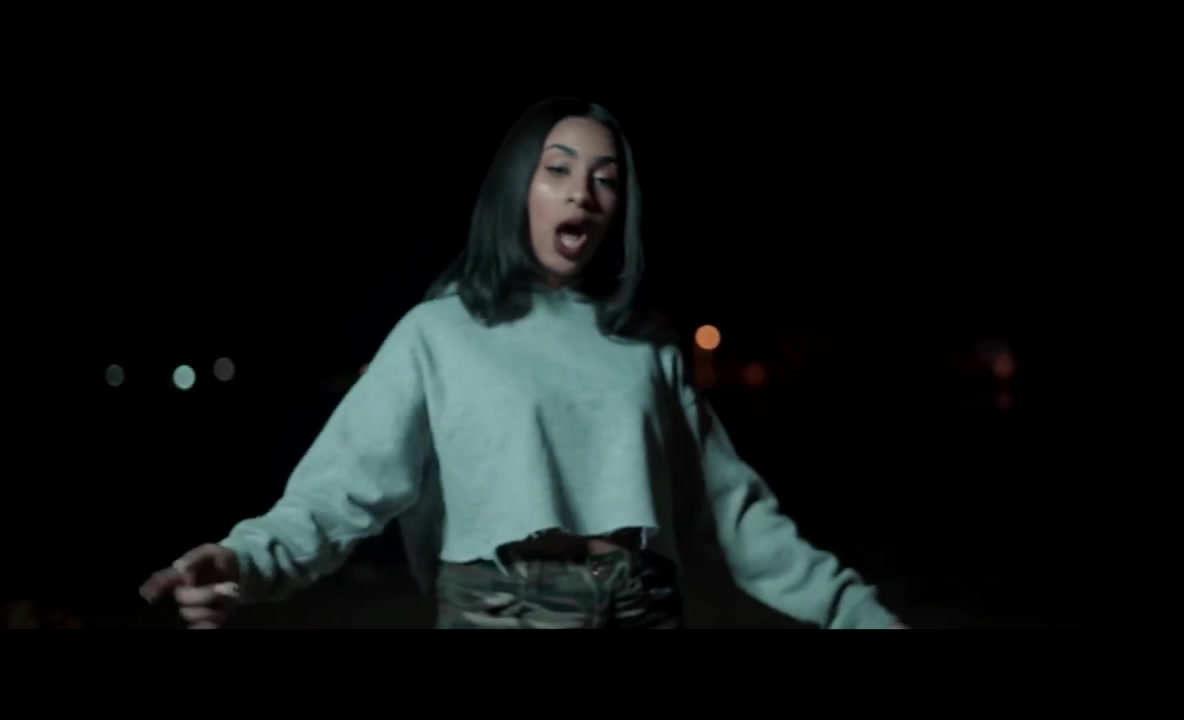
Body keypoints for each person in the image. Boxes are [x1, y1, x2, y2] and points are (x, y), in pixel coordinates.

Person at [139, 97, 906, 630]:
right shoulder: (439, 332)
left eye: (606, 178)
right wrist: (242, 560)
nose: (583, 193)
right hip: (500, 612)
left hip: (643, 608)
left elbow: (737, 517)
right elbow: (339, 492)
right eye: (558, 169)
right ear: (519, 187)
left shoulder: (646, 344)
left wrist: (858, 613)